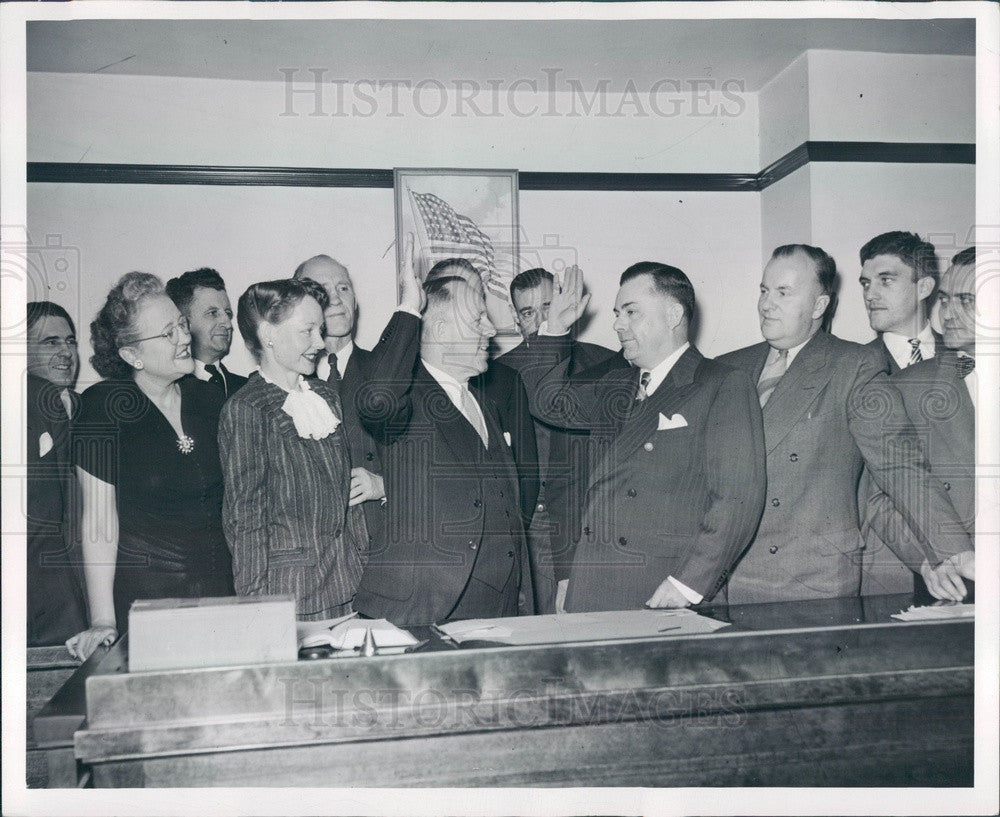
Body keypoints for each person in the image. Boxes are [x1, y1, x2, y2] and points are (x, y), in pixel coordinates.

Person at [717, 244, 973, 604]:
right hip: (718, 575)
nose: (765, 303)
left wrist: (954, 553)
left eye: (783, 292)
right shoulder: (725, 368)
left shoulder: (853, 365)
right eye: (764, 291)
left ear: (820, 305)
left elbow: (898, 466)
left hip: (805, 576)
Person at [527, 263, 766, 613]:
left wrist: (688, 584)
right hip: (594, 585)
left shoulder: (720, 384)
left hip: (662, 590)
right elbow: (545, 402)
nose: (617, 324)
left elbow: (738, 499)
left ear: (673, 314)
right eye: (617, 313)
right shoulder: (616, 384)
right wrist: (556, 330)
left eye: (631, 312)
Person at [353, 237, 533, 625]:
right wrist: (407, 310)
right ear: (437, 327)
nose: (491, 329)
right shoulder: (407, 394)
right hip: (425, 606)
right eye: (477, 319)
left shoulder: (483, 403)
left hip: (499, 608)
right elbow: (377, 399)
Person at [66, 273, 234, 661]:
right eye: (167, 333)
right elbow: (98, 523)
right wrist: (103, 620)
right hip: (147, 607)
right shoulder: (102, 407)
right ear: (131, 355)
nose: (184, 337)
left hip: (222, 598)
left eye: (180, 324)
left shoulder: (210, 400)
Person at [219, 277, 369, 620]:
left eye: (320, 329)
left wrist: (365, 567)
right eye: (308, 331)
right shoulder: (248, 408)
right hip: (290, 599)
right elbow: (246, 522)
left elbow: (349, 501)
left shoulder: (326, 397)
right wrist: (255, 608)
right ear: (268, 334)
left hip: (351, 586)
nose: (320, 341)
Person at [495, 267, 624, 612]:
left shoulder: (607, 363)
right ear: (514, 316)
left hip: (596, 517)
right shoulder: (493, 376)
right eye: (527, 313)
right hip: (533, 524)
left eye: (548, 309)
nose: (539, 322)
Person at [864, 247, 977, 601]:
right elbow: (879, 495)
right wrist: (931, 558)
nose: (949, 314)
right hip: (961, 580)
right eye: (945, 300)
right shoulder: (906, 387)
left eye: (967, 300)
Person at [856, 231, 943, 594]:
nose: (870, 294)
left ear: (923, 286)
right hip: (894, 567)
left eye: (885, 280)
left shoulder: (968, 360)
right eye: (865, 283)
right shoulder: (853, 368)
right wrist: (929, 560)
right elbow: (867, 490)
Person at [291, 255, 386, 545]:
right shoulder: (285, 382)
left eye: (343, 288)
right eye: (322, 290)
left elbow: (427, 462)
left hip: (380, 543)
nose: (335, 299)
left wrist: (384, 485)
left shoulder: (390, 371)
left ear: (355, 301)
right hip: (314, 549)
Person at [25, 301, 87, 646]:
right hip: (45, 612)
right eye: (50, 342)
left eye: (70, 341)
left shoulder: (79, 406)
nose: (66, 352)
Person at [165, 267, 247, 398]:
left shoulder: (247, 388)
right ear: (183, 323)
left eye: (228, 313)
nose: (228, 324)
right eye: (213, 313)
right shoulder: (168, 393)